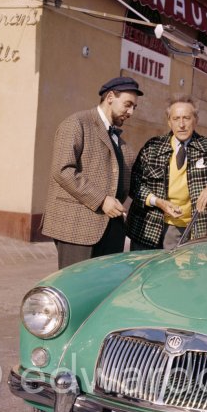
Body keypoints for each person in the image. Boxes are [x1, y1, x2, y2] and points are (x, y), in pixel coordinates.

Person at [42, 76, 143, 269]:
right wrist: (102, 200)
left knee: (103, 290)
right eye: (128, 105)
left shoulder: (123, 145)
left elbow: (130, 185)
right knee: (76, 288)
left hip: (112, 231)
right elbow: (63, 170)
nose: (131, 112)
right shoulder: (76, 123)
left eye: (134, 107)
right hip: (77, 228)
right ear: (111, 97)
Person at [126, 95, 207, 250]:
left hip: (185, 230)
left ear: (195, 120)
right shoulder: (152, 147)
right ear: (169, 122)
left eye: (187, 118)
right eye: (176, 118)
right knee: (142, 273)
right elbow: (133, 184)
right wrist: (157, 201)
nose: (182, 124)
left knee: (173, 273)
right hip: (146, 227)